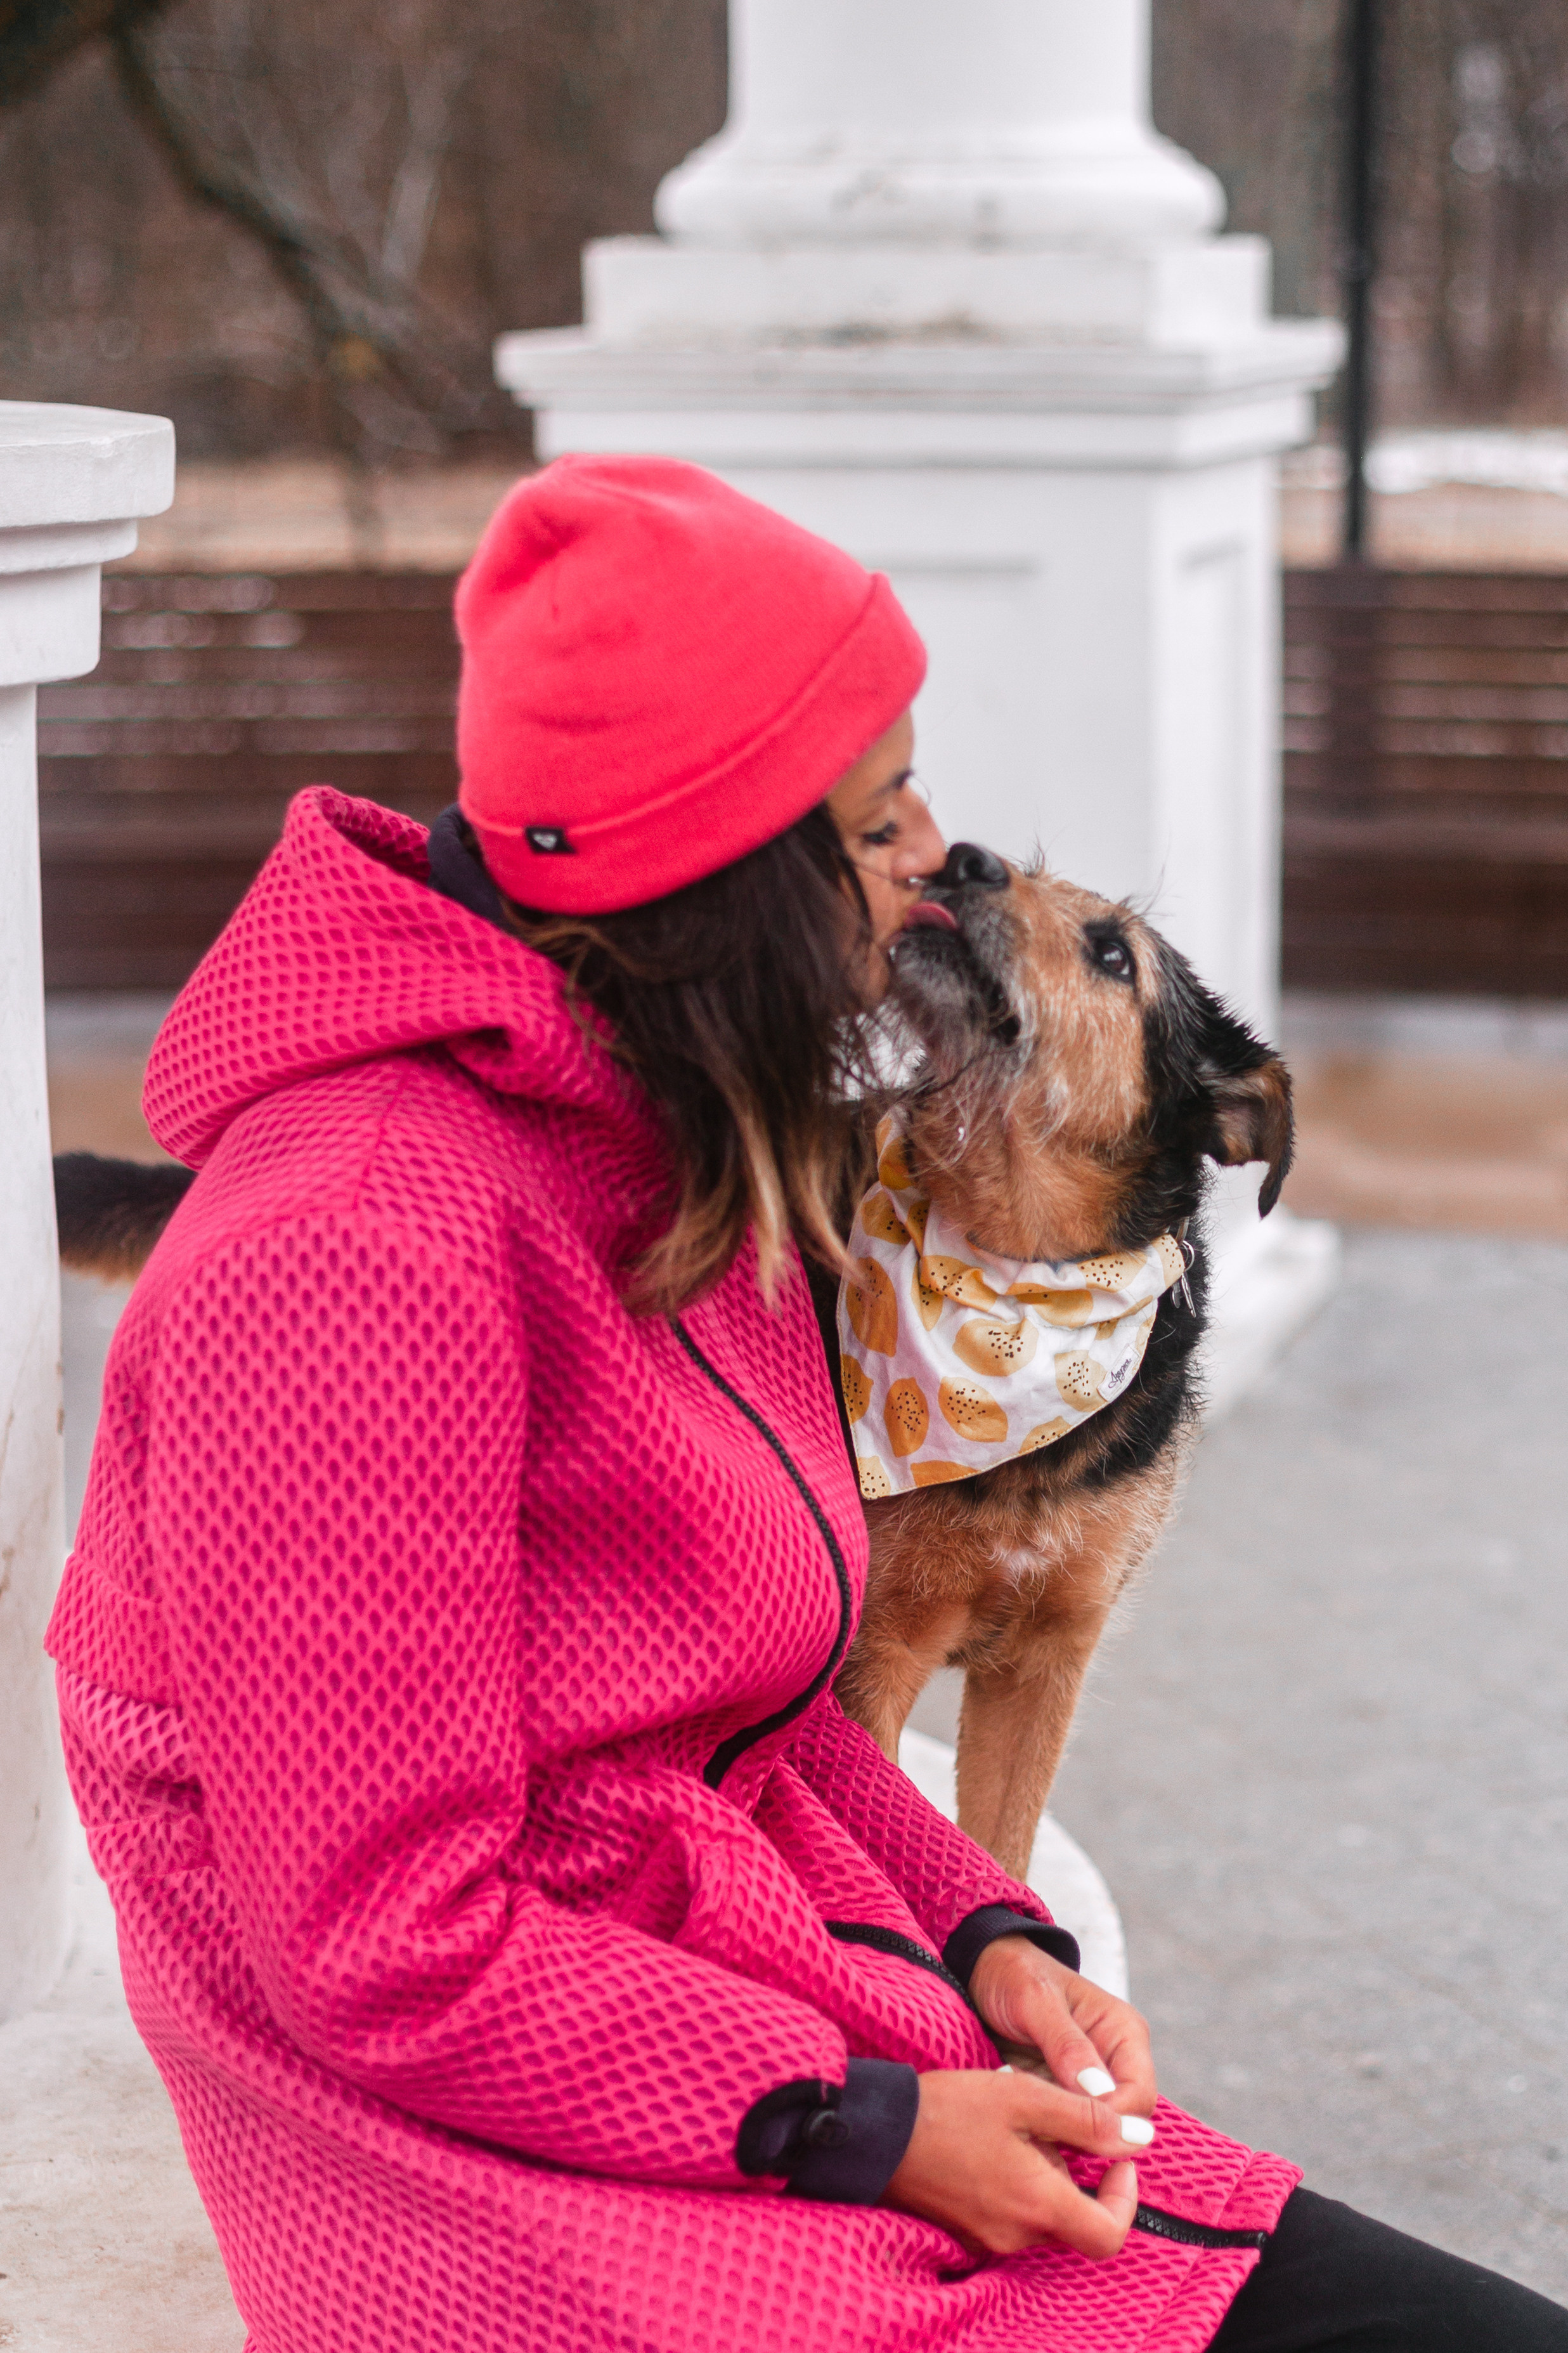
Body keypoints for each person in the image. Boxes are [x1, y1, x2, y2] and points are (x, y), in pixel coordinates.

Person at [47, 456, 1565, 2353]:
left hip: (763, 2020)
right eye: (870, 821)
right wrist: (875, 2126)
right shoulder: (351, 1259)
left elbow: (739, 1714)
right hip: (518, 2188)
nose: (939, 849)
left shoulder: (696, 1152)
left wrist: (989, 1938)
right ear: (714, 889)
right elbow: (385, 1951)